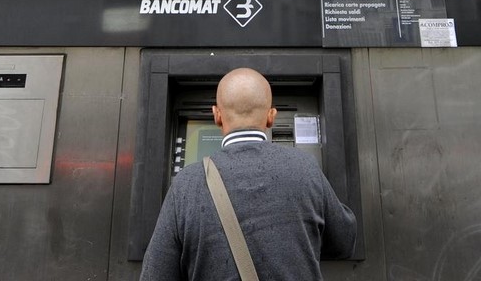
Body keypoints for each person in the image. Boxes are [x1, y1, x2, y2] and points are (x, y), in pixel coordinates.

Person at [140, 67, 357, 281]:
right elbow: (344, 242)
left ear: (217, 115)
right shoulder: (306, 168)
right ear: (271, 116)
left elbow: (156, 273)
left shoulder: (185, 185)